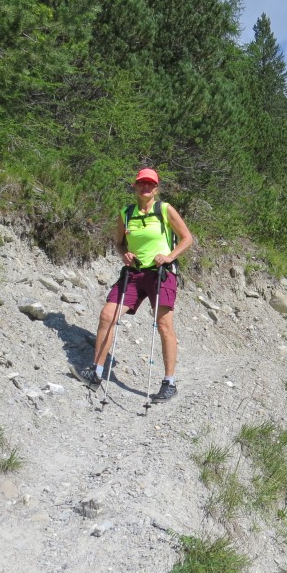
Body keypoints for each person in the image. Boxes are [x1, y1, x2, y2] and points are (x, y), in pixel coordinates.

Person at [72, 168, 194, 402]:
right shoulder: (126, 213)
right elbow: (119, 243)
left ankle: (169, 382)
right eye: (142, 183)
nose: (145, 187)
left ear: (156, 188)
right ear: (135, 186)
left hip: (161, 273)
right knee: (108, 314)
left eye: (150, 184)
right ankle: (96, 372)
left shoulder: (165, 210)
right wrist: (124, 254)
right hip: (135, 273)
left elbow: (187, 238)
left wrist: (169, 256)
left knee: (163, 325)